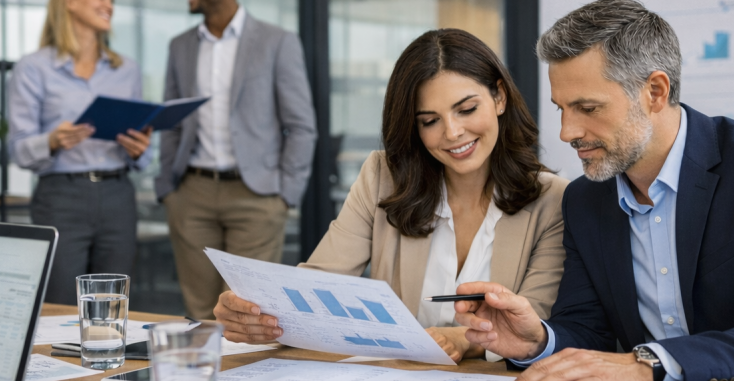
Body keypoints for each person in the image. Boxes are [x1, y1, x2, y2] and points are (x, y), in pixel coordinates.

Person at [454, 0, 734, 381]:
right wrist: (538, 342)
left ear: (655, 92)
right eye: (561, 108)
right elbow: (588, 331)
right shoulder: (586, 200)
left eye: (588, 108)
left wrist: (651, 365)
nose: (568, 132)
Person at [214, 29, 569, 362]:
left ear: (499, 98)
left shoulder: (552, 199)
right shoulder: (383, 177)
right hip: (396, 380)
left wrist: (464, 340)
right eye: (429, 121)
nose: (453, 132)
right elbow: (317, 284)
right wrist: (257, 312)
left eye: (467, 109)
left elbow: (535, 319)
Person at [156, 0, 317, 321]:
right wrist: (169, 188)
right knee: (198, 311)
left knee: (247, 312)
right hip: (191, 194)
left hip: (256, 197)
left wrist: (284, 194)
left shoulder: (277, 42)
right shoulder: (180, 46)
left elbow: (301, 126)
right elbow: (172, 121)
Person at [8, 0, 152, 304]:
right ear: (70, 1)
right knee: (61, 302)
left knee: (114, 302)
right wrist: (53, 140)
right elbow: (18, 149)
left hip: (118, 195)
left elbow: (145, 153)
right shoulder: (33, 68)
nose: (109, 5)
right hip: (61, 197)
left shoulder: (126, 69)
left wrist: (140, 150)